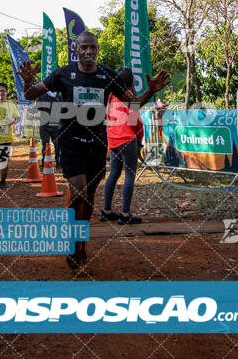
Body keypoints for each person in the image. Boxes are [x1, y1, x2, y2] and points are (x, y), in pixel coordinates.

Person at [17, 31, 169, 269]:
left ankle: (80, 241)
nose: (89, 52)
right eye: (84, 48)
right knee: (78, 191)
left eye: (93, 48)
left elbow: (134, 104)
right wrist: (27, 80)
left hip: (97, 144)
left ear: (97, 50)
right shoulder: (63, 74)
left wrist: (151, 91)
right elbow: (29, 94)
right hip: (70, 142)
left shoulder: (107, 76)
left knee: (88, 198)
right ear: (76, 50)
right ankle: (72, 240)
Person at [101, 67, 144, 225]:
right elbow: (136, 122)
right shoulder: (130, 97)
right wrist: (139, 139)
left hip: (113, 139)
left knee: (113, 173)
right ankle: (125, 214)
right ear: (130, 80)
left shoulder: (111, 97)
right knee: (130, 175)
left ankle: (106, 211)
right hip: (127, 139)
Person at [36, 91, 61, 169]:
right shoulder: (42, 96)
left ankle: (57, 162)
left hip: (54, 125)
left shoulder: (59, 97)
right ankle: (46, 163)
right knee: (46, 145)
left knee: (56, 145)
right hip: (46, 125)